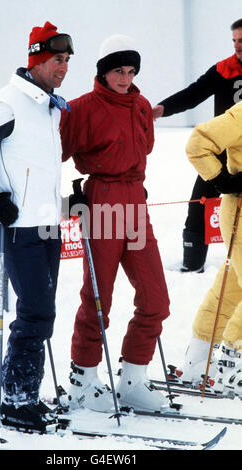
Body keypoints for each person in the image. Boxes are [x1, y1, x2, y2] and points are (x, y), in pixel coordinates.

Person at [0, 21, 74, 432]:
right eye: (58, 60)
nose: (64, 67)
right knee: (35, 311)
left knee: (44, 314)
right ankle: (15, 401)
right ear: (37, 60)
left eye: (68, 60)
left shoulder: (48, 107)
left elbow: (36, 172)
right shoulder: (6, 105)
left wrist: (67, 203)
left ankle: (22, 394)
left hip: (46, 228)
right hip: (18, 228)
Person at [60, 34, 170, 413]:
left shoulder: (140, 105)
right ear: (103, 72)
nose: (125, 78)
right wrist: (69, 199)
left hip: (136, 201)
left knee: (156, 299)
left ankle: (133, 378)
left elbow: (145, 148)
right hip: (102, 199)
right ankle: (84, 380)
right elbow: (50, 154)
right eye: (118, 71)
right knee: (97, 299)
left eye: (131, 71)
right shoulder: (80, 109)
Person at [152, 18, 242, 273]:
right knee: (199, 205)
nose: (237, 46)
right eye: (234, 41)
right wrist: (163, 109)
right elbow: (194, 93)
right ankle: (192, 267)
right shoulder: (223, 69)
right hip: (220, 155)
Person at [178, 101, 242, 399]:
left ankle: (198, 362)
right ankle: (233, 365)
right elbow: (199, 142)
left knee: (231, 288)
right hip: (241, 214)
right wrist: (222, 180)